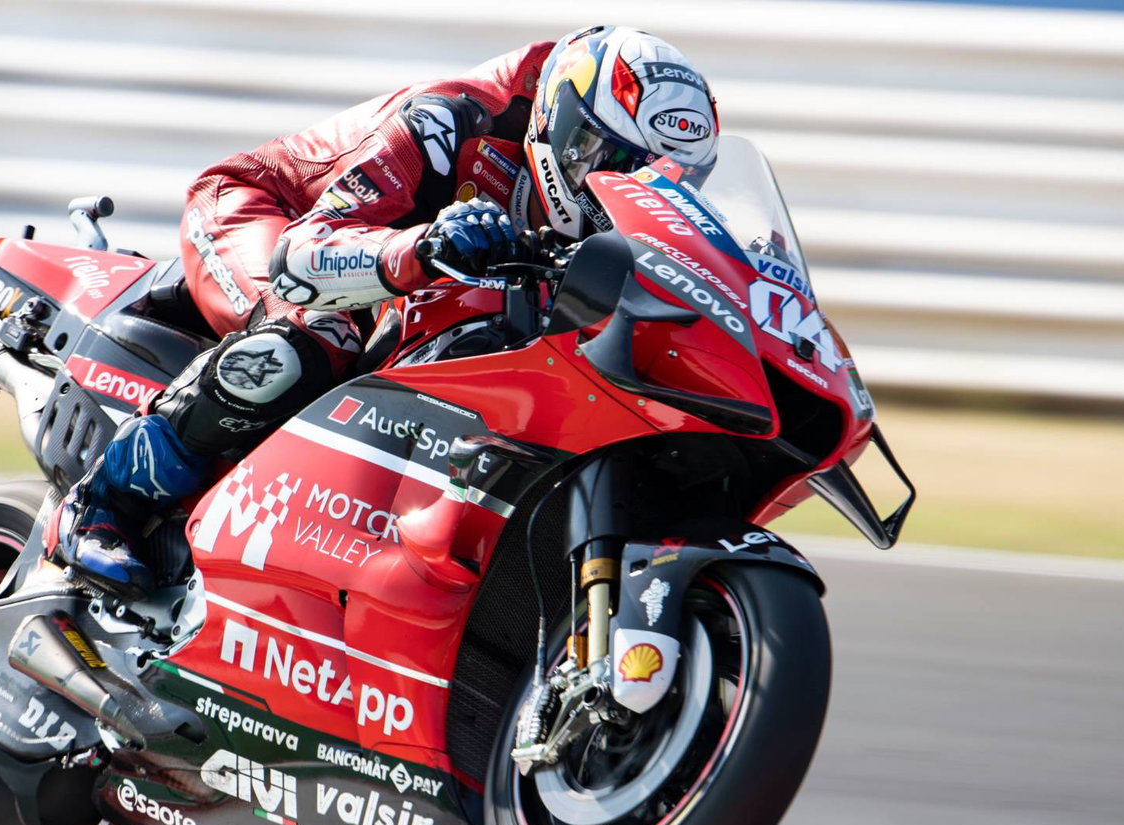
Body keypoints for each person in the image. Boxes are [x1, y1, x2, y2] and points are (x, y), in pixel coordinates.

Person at [53, 24, 720, 592]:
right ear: (565, 128)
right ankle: (104, 504)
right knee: (317, 336)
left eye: (660, 181)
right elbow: (303, 254)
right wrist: (424, 246)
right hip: (267, 214)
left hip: (393, 267)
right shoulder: (455, 120)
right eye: (613, 164)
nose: (619, 192)